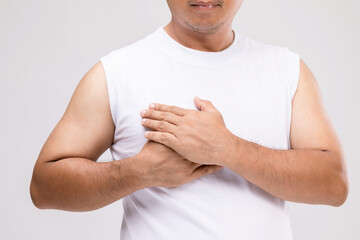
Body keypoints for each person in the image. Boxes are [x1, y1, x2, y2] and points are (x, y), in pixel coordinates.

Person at [30, 0, 349, 239]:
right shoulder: (117, 73)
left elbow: (334, 184)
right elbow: (44, 187)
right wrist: (140, 172)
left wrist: (227, 149)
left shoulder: (288, 70)